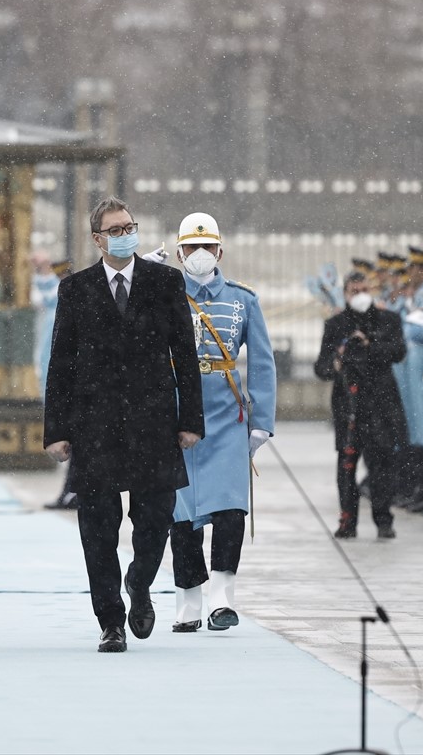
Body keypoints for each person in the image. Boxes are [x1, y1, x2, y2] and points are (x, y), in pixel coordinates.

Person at [43, 196, 204, 653]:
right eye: (114, 230)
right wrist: (56, 430)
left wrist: (190, 420)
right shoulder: (75, 290)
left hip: (154, 423)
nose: (124, 235)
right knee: (98, 528)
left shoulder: (165, 283)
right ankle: (110, 619)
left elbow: (184, 357)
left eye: (128, 226)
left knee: (154, 520)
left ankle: (139, 581)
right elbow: (62, 364)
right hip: (95, 426)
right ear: (97, 239)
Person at [167, 212, 276, 634]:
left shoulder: (242, 299)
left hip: (228, 416)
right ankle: (188, 599)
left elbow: (262, 363)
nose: (199, 255)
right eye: (191, 249)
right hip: (178, 416)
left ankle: (222, 597)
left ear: (220, 251)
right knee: (181, 515)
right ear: (178, 253)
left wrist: (261, 419)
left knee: (231, 509)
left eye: (207, 248)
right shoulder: (164, 295)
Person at [314, 270, 408, 539]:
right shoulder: (335, 325)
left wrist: (370, 344)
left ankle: (383, 519)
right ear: (345, 294)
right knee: (346, 465)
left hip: (380, 405)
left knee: (381, 465)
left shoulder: (388, 320)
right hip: (348, 405)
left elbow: (398, 351)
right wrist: (337, 360)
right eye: (355, 291)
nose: (361, 296)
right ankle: (348, 520)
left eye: (365, 290)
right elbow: (321, 368)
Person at [31, 252, 80, 511]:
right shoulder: (56, 308)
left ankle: (73, 492)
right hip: (59, 387)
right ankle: (71, 492)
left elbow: (50, 293)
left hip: (67, 389)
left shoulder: (65, 305)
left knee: (75, 444)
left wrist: (44, 271)